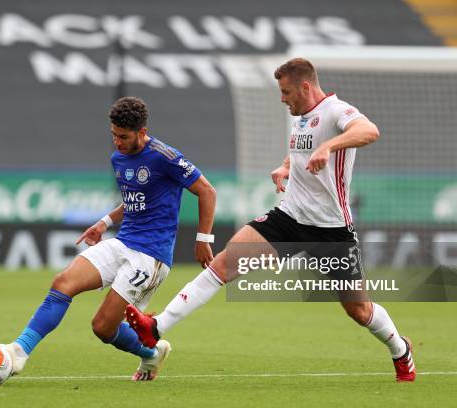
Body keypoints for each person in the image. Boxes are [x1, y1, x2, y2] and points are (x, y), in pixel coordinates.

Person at [126, 58, 416, 382]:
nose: (282, 98)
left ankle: (400, 350)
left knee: (358, 310)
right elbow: (301, 151)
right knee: (223, 265)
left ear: (305, 87)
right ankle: (157, 327)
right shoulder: (302, 117)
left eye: (286, 91)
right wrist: (287, 166)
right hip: (288, 218)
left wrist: (329, 147)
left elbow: (369, 131)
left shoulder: (337, 111)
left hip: (331, 231)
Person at [0, 96, 216, 381]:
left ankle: (151, 353)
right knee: (63, 283)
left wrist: (203, 239)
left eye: (124, 137)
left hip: (150, 256)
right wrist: (104, 222)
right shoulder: (118, 157)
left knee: (102, 327)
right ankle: (18, 353)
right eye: (113, 135)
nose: (118, 142)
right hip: (122, 242)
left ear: (142, 132)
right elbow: (136, 200)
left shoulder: (166, 157)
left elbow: (206, 191)